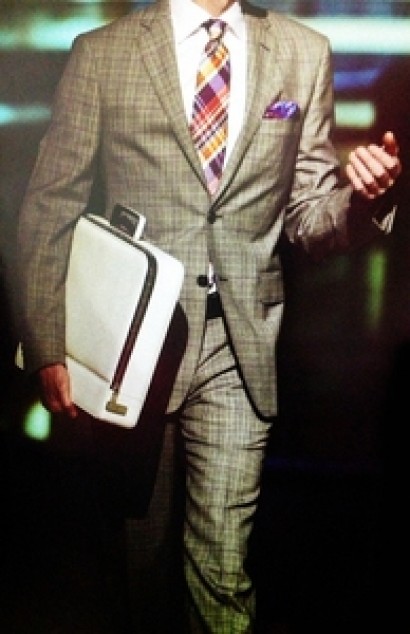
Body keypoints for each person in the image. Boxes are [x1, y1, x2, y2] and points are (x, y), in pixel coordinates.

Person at [16, 0, 402, 632]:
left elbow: (309, 215)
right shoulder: (104, 53)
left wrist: (361, 201)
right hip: (129, 349)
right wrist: (47, 343)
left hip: (238, 346)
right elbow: (51, 202)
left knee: (222, 573)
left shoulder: (302, 52)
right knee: (138, 572)